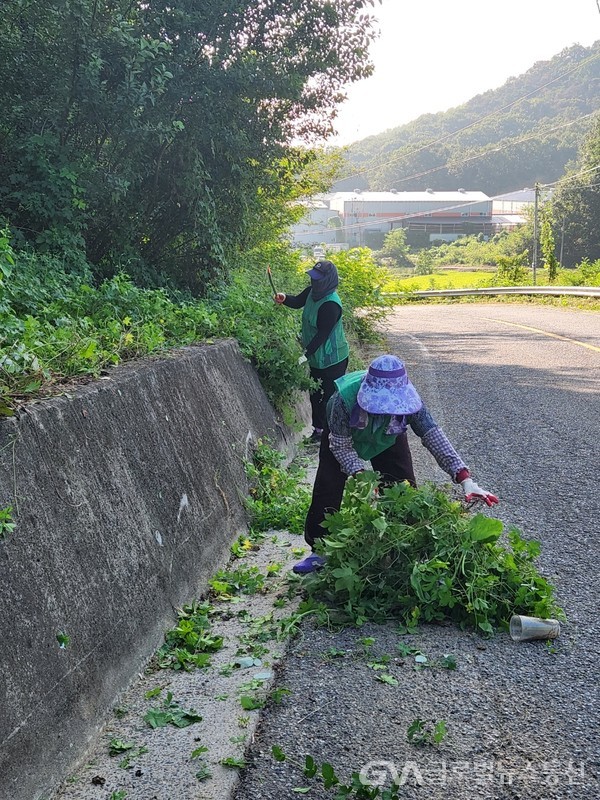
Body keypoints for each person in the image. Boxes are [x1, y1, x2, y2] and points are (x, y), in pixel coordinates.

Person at [293, 354, 498, 574]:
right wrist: (361, 476)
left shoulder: (411, 404)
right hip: (342, 438)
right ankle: (320, 549)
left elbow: (432, 435)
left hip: (388, 436)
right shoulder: (342, 401)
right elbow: (341, 447)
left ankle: (404, 544)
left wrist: (464, 477)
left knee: (403, 489)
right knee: (328, 485)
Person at [274, 260, 349, 442]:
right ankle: (318, 430)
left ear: (328, 280)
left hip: (334, 359)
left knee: (329, 397)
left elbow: (322, 335)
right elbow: (298, 301)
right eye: (313, 278)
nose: (314, 282)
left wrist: (304, 355)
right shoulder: (312, 293)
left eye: (318, 279)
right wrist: (285, 298)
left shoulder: (331, 305)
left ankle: (333, 435)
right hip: (316, 358)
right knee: (315, 394)